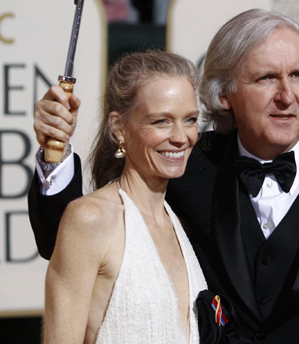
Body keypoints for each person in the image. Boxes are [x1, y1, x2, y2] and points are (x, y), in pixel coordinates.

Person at [29, 9, 299, 343]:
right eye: (266, 78)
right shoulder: (187, 164)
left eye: (297, 75)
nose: (287, 95)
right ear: (224, 94)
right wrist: (55, 151)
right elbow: (66, 240)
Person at [34, 51, 207, 344]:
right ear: (119, 128)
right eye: (161, 121)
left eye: (189, 119)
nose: (181, 137)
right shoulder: (90, 219)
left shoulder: (181, 221)